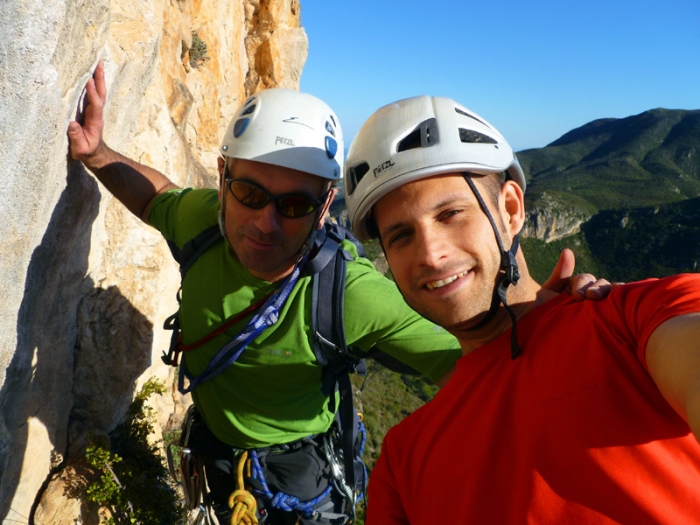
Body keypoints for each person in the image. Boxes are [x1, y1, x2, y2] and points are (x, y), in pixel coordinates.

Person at [68, 63, 606, 524]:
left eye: (294, 206)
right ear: (223, 177)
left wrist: (557, 324)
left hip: (292, 478)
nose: (265, 223)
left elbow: (484, 361)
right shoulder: (203, 222)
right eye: (249, 193)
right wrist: (97, 155)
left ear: (325, 207)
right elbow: (157, 198)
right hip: (214, 443)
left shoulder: (347, 293)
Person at [343, 94, 700, 524]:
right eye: (401, 236)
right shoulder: (403, 459)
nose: (431, 255)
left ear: (510, 211)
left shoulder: (636, 317)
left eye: (451, 213)